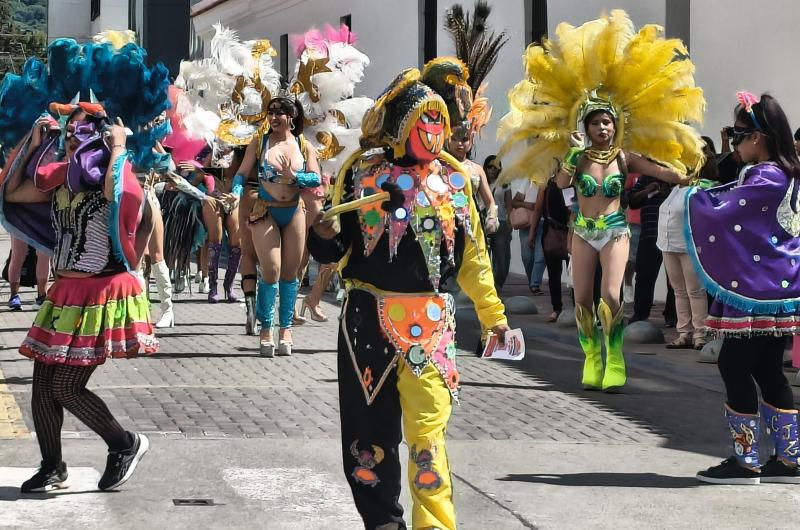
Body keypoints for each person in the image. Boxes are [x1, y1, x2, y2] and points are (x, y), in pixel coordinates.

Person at [309, 60, 508, 529]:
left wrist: (492, 315)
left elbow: (474, 256)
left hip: (432, 325)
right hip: (367, 323)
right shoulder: (362, 174)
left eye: (440, 119)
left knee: (427, 438)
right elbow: (337, 245)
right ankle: (383, 524)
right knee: (369, 440)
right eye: (425, 119)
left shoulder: (455, 178)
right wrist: (321, 232)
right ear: (400, 127)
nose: (434, 129)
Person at [498, 11, 704, 392]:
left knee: (611, 295)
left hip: (614, 232)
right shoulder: (575, 158)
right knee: (583, 301)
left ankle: (615, 358)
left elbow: (664, 172)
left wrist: (687, 174)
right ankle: (592, 358)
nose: (603, 128)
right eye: (596, 123)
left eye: (608, 123)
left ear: (616, 125)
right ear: (586, 127)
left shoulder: (624, 158)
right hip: (581, 231)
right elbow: (559, 183)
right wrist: (573, 156)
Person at [0, 35, 168, 492]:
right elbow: (12, 194)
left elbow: (121, 197)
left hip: (103, 291)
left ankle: (125, 442)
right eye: (69, 125)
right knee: (41, 385)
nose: (73, 132)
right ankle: (52, 466)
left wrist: (118, 148)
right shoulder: (60, 179)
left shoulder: (114, 174)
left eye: (83, 126)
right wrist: (30, 143)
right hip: (65, 293)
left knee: (65, 387)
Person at [691, 93, 800, 484]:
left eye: (738, 134)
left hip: (756, 289)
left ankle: (745, 460)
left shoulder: (766, 176)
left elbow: (722, 213)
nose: (735, 142)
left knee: (733, 364)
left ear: (758, 136)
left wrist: (693, 195)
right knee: (768, 368)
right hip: (775, 286)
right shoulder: (788, 171)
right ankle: (788, 460)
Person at [233, 96, 321, 357]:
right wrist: (236, 192)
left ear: (291, 117)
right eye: (270, 113)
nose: (273, 118)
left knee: (290, 275)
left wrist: (295, 177)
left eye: (279, 113)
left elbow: (315, 178)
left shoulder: (304, 146)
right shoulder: (259, 144)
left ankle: (286, 329)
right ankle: (265, 329)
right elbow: (241, 173)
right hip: (265, 211)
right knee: (271, 271)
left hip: (293, 211)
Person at [658, 137, 717, 350]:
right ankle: (684, 333)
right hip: (668, 244)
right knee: (679, 291)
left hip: (691, 246)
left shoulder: (705, 187)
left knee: (695, 291)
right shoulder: (677, 186)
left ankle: (700, 334)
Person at [627, 175, 677, 327]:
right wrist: (647, 191)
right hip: (649, 234)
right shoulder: (645, 178)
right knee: (644, 276)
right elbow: (632, 202)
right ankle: (640, 314)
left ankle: (672, 316)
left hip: (673, 234)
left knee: (675, 279)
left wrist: (669, 192)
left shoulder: (676, 175)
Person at [530, 178, 571, 322]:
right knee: (554, 273)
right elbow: (537, 209)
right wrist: (532, 232)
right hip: (552, 231)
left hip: (572, 231)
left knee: (574, 273)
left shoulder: (574, 182)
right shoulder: (546, 184)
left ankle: (578, 308)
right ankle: (556, 308)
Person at [485, 155, 511, 289]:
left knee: (502, 259)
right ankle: (487, 286)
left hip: (501, 222)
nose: (492, 170)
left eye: (495, 167)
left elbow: (509, 204)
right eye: (489, 166)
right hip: (484, 223)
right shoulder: (480, 181)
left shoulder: (504, 183)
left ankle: (498, 283)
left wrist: (510, 221)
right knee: (483, 258)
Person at [5, 237, 49, 310]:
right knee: (18, 253)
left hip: (44, 226)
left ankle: (42, 297)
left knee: (44, 254)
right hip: (21, 225)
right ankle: (14, 296)